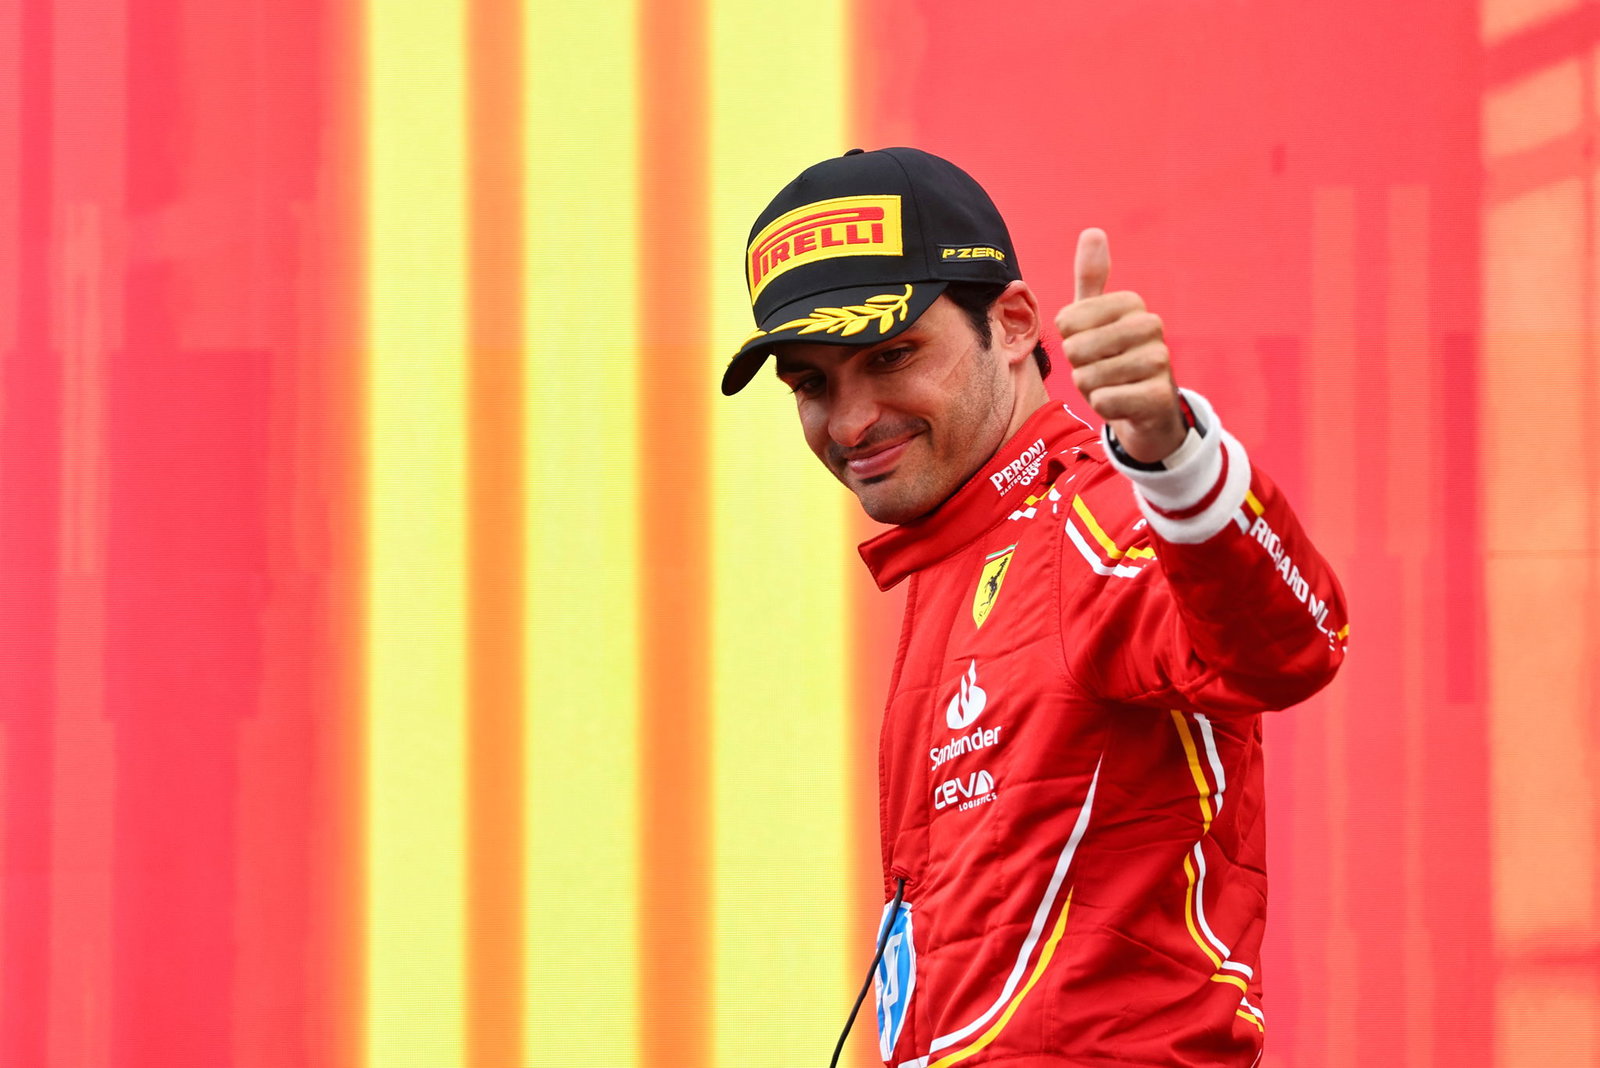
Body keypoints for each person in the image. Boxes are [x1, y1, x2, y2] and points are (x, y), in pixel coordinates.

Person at [722, 147, 1347, 1068]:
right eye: (812, 384)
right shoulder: (956, 552)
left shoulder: (1093, 515)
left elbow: (1292, 648)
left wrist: (1174, 453)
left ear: (1013, 324)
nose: (851, 421)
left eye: (890, 355)